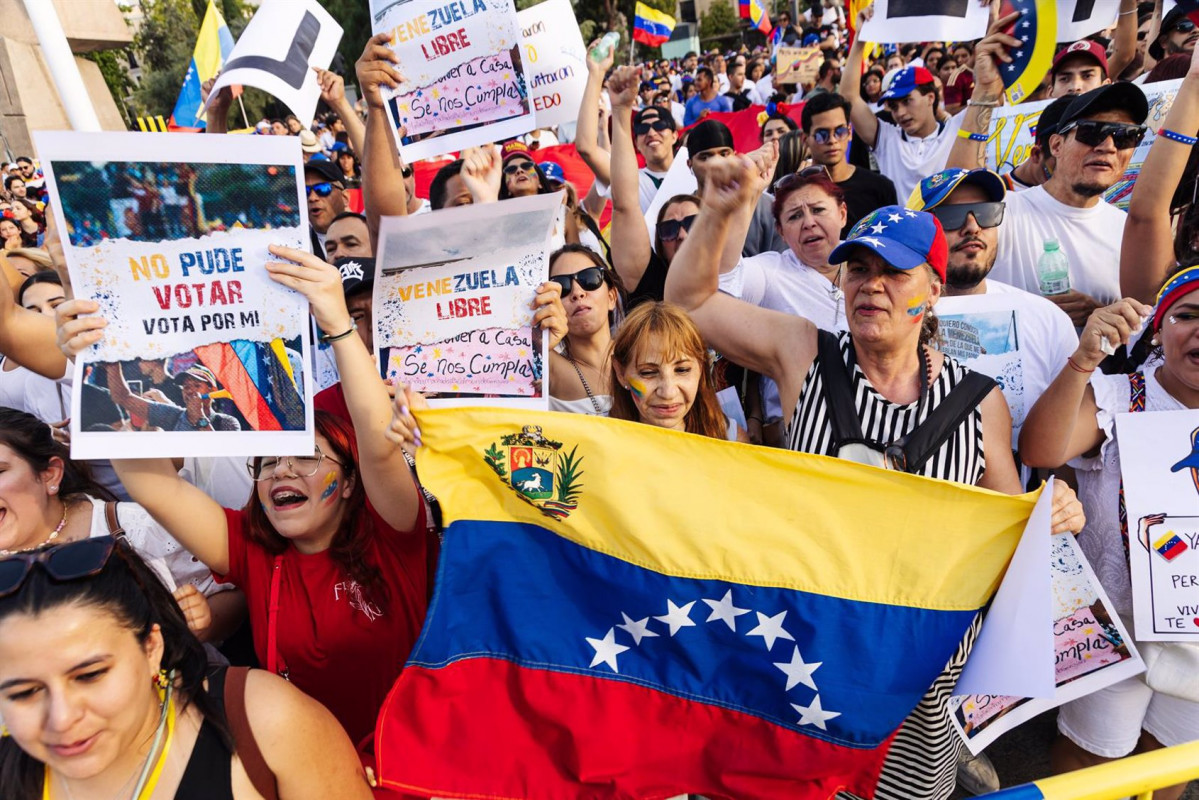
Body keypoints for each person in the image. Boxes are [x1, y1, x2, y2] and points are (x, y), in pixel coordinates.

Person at [664, 155, 1084, 800]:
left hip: (921, 668)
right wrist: (721, 212)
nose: (871, 284)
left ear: (933, 288)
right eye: (859, 268)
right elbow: (688, 300)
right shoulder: (804, 353)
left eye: (893, 271)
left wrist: (1053, 511)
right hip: (802, 652)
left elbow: (1014, 518)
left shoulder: (978, 400)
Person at [57, 245, 435, 744]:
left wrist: (338, 322)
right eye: (269, 463)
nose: (282, 472)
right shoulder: (253, 551)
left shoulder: (393, 539)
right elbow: (151, 484)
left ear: (348, 482)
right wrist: (99, 359)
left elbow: (377, 441)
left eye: (305, 459)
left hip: (412, 769)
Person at [0, 535, 372, 800]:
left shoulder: (264, 721)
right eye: (24, 693)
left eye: (90, 675)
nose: (61, 719)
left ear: (151, 648)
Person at [1020, 281, 1199, 800]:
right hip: (1114, 628)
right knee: (1092, 758)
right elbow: (1039, 449)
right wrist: (1083, 361)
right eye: (1186, 314)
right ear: (1160, 331)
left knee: (1170, 760)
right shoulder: (1119, 395)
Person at [908, 168, 1078, 456]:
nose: (972, 227)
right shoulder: (886, 320)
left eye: (986, 212)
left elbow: (1069, 437)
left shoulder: (1046, 319)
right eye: (951, 215)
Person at [987, 83, 1149, 326]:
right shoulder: (1000, 212)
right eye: (1091, 132)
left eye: (1125, 136)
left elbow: (1151, 331)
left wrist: (1101, 312)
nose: (1108, 146)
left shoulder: (1130, 231)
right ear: (1056, 146)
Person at [841, 10, 964, 202]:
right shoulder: (887, 139)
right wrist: (860, 37)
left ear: (930, 97)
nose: (900, 112)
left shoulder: (957, 130)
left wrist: (990, 19)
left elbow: (991, 87)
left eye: (907, 101)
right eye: (894, 106)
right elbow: (848, 97)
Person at [608, 302, 731, 439]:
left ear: (701, 368)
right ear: (620, 372)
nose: (668, 393)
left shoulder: (732, 441)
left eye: (682, 370)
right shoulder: (597, 450)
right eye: (648, 372)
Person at [800, 92, 897, 236]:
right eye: (822, 135)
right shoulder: (795, 193)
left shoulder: (881, 187)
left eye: (840, 131)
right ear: (805, 139)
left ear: (850, 132)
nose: (832, 140)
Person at [547, 245, 622, 415]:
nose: (577, 292)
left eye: (589, 279)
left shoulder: (642, 354)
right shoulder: (544, 367)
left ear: (611, 297)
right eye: (562, 286)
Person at [0, 272, 68, 425]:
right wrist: (43, 434)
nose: (46, 314)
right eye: (33, 311)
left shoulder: (99, 359)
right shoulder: (34, 383)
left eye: (56, 305)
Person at [304, 160, 348, 254]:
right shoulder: (299, 246)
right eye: (305, 191)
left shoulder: (368, 236)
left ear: (345, 197)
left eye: (323, 188)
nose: (312, 198)